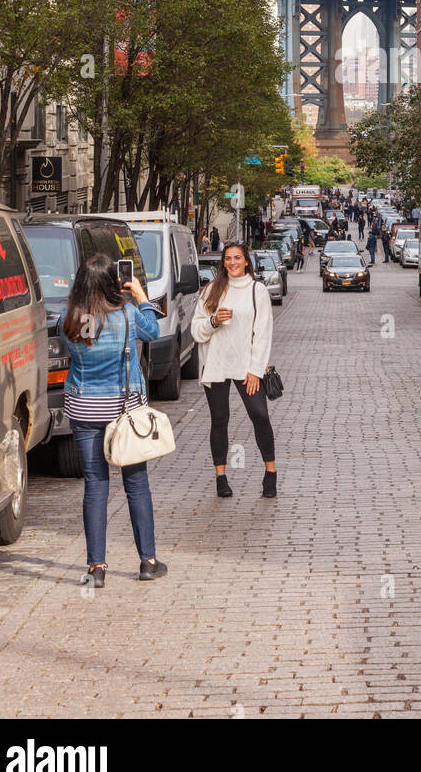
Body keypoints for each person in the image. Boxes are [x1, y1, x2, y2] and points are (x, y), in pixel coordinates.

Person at [61, 255, 167, 588]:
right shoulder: (128, 314)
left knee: (95, 486)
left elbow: (82, 343)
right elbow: (152, 332)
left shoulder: (75, 319)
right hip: (124, 412)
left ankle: (96, 567)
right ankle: (148, 561)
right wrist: (141, 297)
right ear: (113, 282)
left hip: (85, 410)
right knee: (136, 486)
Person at [191, 242, 278, 498]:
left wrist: (255, 370)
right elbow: (196, 331)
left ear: (246, 261)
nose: (232, 262)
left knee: (260, 415)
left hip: (246, 367)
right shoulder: (211, 290)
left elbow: (263, 334)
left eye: (237, 258)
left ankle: (270, 472)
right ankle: (221, 476)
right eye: (228, 258)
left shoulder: (257, 290)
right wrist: (214, 321)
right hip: (216, 364)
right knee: (219, 420)